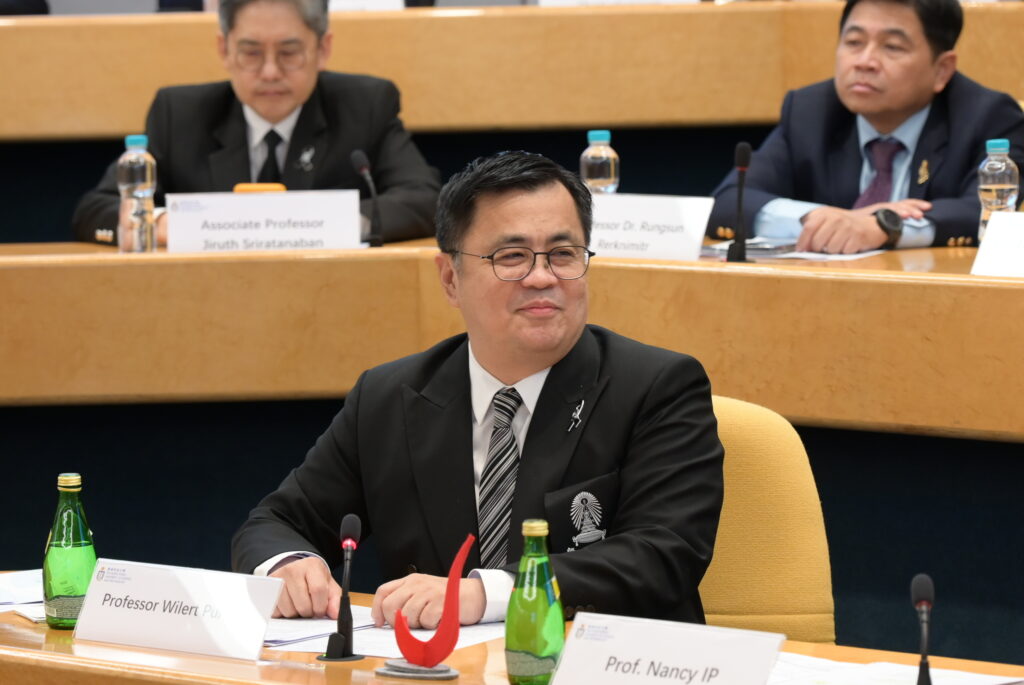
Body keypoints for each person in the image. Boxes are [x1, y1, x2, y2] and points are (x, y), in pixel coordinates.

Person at [232, 151, 724, 628]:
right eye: (512, 256)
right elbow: (275, 523)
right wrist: (287, 564)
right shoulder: (388, 397)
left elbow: (664, 554)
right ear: (451, 278)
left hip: (600, 661)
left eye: (563, 254)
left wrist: (488, 593)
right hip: (440, 666)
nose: (541, 277)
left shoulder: (658, 387)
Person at [72, 0, 439, 246]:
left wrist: (327, 223)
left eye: (289, 53)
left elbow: (425, 201)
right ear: (224, 50)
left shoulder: (365, 105)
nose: (270, 72)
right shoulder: (178, 114)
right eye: (251, 53)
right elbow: (95, 210)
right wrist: (160, 224)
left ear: (322, 49)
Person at [707, 0, 1024, 254]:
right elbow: (729, 200)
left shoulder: (989, 117)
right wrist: (820, 219)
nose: (865, 61)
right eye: (854, 42)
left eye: (892, 47)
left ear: (942, 70)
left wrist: (885, 226)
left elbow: (988, 214)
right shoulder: (810, 111)